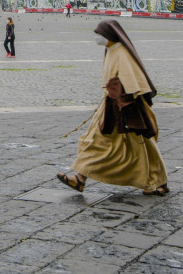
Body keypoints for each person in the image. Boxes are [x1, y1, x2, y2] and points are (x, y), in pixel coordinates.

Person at [57, 20, 168, 195]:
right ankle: (80, 178)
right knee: (93, 141)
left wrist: (124, 102)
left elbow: (131, 81)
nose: (97, 38)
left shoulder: (122, 53)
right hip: (109, 107)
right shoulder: (110, 51)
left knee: (142, 145)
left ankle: (158, 181)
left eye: (99, 35)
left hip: (126, 108)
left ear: (109, 36)